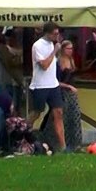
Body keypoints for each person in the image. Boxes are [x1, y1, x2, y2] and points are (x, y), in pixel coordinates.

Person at [30, 23, 67, 152]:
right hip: (40, 85)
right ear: (48, 33)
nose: (57, 36)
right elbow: (44, 65)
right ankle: (22, 133)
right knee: (37, 112)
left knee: (58, 113)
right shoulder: (38, 46)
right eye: (55, 34)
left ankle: (63, 146)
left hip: (53, 84)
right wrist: (55, 51)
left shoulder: (53, 44)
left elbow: (56, 65)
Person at [57, 39, 82, 151]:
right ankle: (63, 144)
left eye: (72, 49)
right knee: (64, 118)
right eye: (68, 49)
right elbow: (55, 81)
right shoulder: (58, 62)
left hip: (72, 93)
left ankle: (76, 144)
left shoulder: (71, 60)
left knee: (75, 117)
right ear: (63, 49)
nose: (70, 51)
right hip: (63, 92)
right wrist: (68, 87)